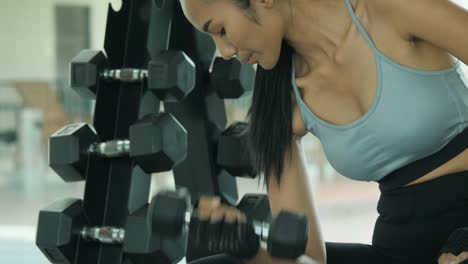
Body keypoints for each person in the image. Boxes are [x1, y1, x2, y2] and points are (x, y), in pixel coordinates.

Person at [179, 0, 468, 263]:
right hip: (399, 251)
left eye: (221, 30)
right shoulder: (282, 103)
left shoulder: (389, 9)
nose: (225, 52)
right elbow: (307, 258)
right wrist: (248, 246)